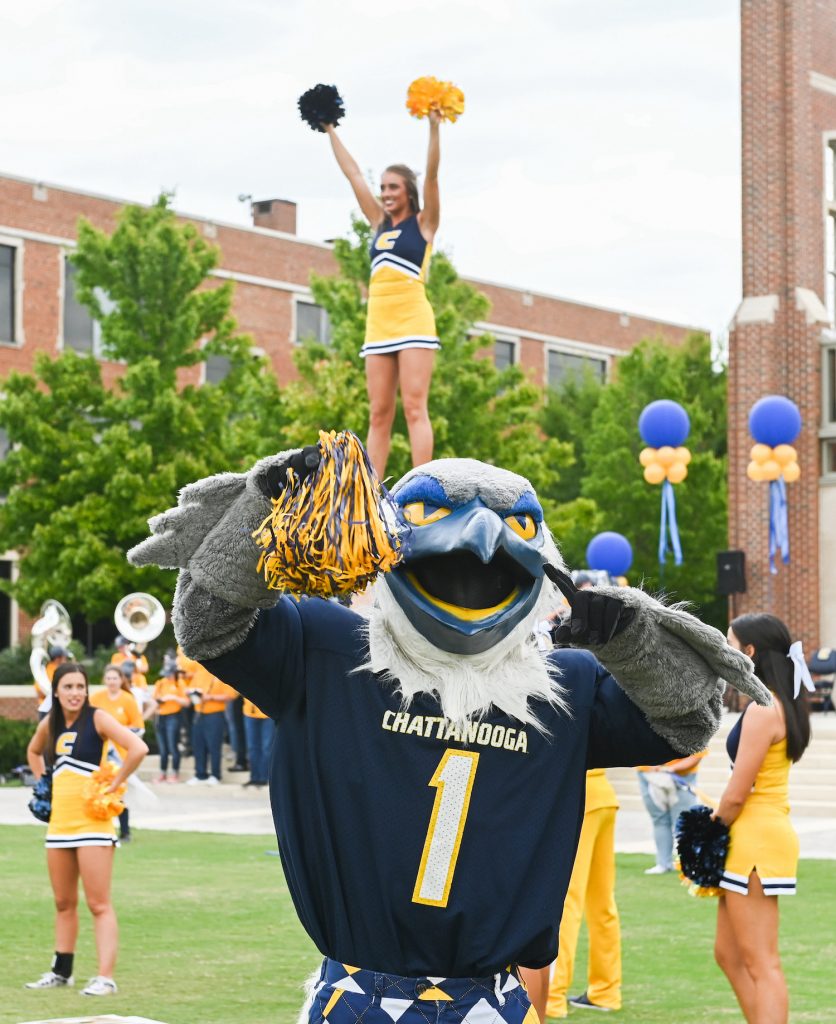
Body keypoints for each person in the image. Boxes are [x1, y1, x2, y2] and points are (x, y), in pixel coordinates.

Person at [129, 444, 768, 1023]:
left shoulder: (562, 685)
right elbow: (210, 624)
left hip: (493, 998)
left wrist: (633, 639)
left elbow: (687, 724)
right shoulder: (330, 648)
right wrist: (264, 505)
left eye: (516, 525)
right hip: (359, 994)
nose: (483, 540)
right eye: (434, 512)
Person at [322, 113, 441, 477]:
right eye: (384, 187)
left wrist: (434, 127)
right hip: (379, 323)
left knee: (415, 409)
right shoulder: (377, 222)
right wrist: (329, 127)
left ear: (408, 192)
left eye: (393, 187)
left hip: (413, 319)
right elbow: (353, 174)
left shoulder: (424, 223)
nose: (386, 193)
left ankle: (425, 485)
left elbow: (433, 174)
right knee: (378, 413)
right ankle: (371, 492)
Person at [25, 662, 147, 995]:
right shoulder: (50, 725)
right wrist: (42, 784)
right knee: (63, 902)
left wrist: (115, 785)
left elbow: (138, 748)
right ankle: (61, 971)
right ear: (56, 692)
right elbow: (33, 752)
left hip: (93, 824)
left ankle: (105, 977)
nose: (76, 693)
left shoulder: (98, 718)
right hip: (59, 825)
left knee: (98, 903)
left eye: (81, 686)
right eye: (68, 687)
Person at [714, 613, 811, 1024]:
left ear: (749, 652)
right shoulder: (777, 703)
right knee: (728, 954)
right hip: (754, 834)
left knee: (761, 961)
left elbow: (738, 793)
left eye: (729, 643)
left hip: (756, 836)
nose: (723, 650)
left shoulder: (763, 707)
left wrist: (706, 831)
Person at [530, 769, 622, 1019]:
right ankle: (606, 991)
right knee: (602, 902)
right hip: (602, 794)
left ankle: (554, 996)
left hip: (582, 796)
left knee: (567, 902)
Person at [89, 665, 145, 842]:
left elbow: (139, 727)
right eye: (109, 678)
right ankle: (100, 827)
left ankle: (125, 831)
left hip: (120, 754)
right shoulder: (96, 698)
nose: (112, 682)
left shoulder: (128, 700)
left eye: (115, 678)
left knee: (117, 791)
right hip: (101, 753)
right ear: (104, 680)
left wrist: (118, 732)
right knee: (98, 790)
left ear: (121, 680)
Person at [636, 749, 707, 874]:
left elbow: (698, 754)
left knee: (685, 821)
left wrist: (671, 768)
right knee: (660, 820)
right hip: (649, 774)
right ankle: (663, 863)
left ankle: (690, 864)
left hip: (682, 775)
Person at [178, 654, 237, 785]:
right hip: (199, 712)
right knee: (198, 744)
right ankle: (200, 774)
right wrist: (192, 693)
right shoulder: (200, 671)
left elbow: (230, 695)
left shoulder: (221, 672)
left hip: (215, 713)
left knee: (214, 745)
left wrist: (209, 698)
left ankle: (215, 774)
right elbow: (190, 687)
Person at [152, 657, 189, 782]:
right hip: (161, 716)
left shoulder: (180, 683)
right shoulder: (161, 683)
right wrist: (159, 701)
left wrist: (173, 697)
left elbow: (186, 702)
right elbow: (154, 699)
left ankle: (174, 772)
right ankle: (162, 772)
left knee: (173, 746)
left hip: (174, 717)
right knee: (163, 748)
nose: (167, 676)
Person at [242, 697, 273, 788]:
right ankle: (254, 777)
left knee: (266, 747)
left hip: (268, 714)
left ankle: (264, 777)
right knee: (252, 747)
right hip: (250, 713)